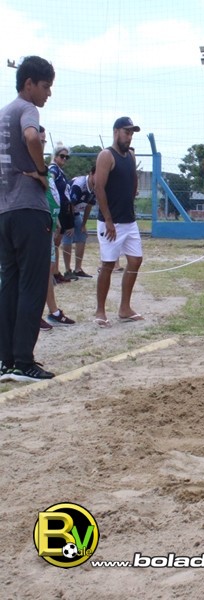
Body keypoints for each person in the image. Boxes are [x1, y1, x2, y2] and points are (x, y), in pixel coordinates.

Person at [0, 56, 57, 383]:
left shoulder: (2, 113)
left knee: (9, 286)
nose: (48, 93)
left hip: (4, 211)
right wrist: (41, 170)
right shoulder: (27, 109)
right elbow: (33, 138)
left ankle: (6, 361)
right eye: (46, 86)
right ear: (29, 84)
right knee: (32, 285)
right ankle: (24, 361)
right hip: (29, 210)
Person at [93, 116, 143, 327]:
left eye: (131, 133)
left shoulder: (130, 155)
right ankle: (100, 310)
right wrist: (108, 220)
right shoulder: (106, 155)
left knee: (136, 260)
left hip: (129, 220)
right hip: (111, 222)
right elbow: (99, 187)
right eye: (126, 132)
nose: (129, 137)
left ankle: (125, 307)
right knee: (108, 265)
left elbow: (133, 181)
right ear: (116, 132)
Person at [39, 128, 75, 329]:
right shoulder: (48, 170)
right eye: (62, 156)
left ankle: (52, 311)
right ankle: (30, 313)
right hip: (33, 226)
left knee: (46, 271)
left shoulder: (46, 170)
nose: (64, 159)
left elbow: (52, 196)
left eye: (43, 141)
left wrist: (57, 221)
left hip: (48, 224)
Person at [63, 167, 96, 279]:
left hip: (76, 212)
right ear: (91, 174)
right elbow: (70, 205)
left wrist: (83, 224)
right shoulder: (79, 185)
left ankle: (78, 269)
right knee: (68, 236)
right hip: (66, 211)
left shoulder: (96, 187)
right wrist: (70, 225)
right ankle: (67, 270)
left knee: (82, 236)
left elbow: (89, 206)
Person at [48, 143, 75, 283]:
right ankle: (52, 273)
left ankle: (55, 271)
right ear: (55, 156)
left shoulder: (60, 171)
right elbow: (49, 181)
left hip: (63, 210)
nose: (64, 159)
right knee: (54, 243)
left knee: (56, 243)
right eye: (62, 156)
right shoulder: (53, 169)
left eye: (66, 157)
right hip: (57, 210)